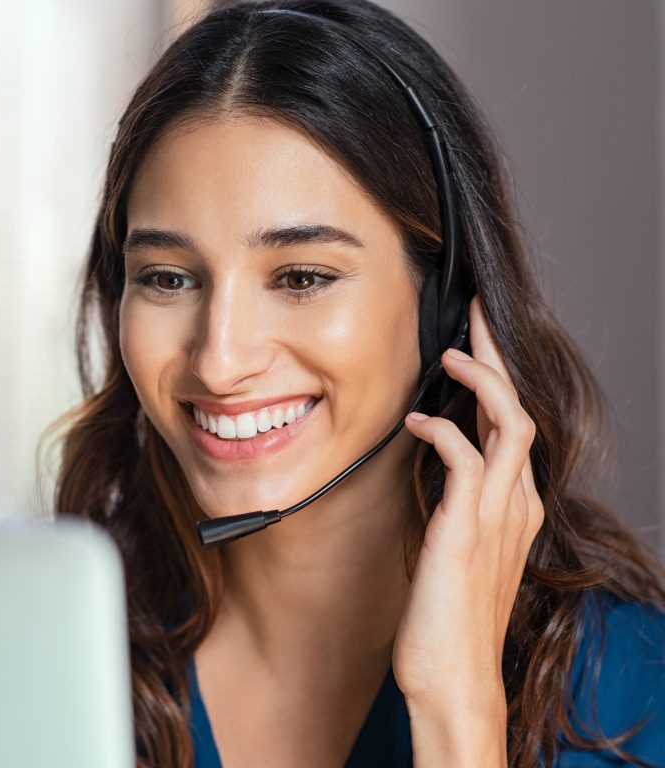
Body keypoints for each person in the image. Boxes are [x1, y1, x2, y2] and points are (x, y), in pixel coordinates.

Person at [49, 1, 665, 766]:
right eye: (169, 277)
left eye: (302, 276)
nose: (219, 359)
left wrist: (457, 708)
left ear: (443, 304)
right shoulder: (48, 658)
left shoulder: (630, 692)